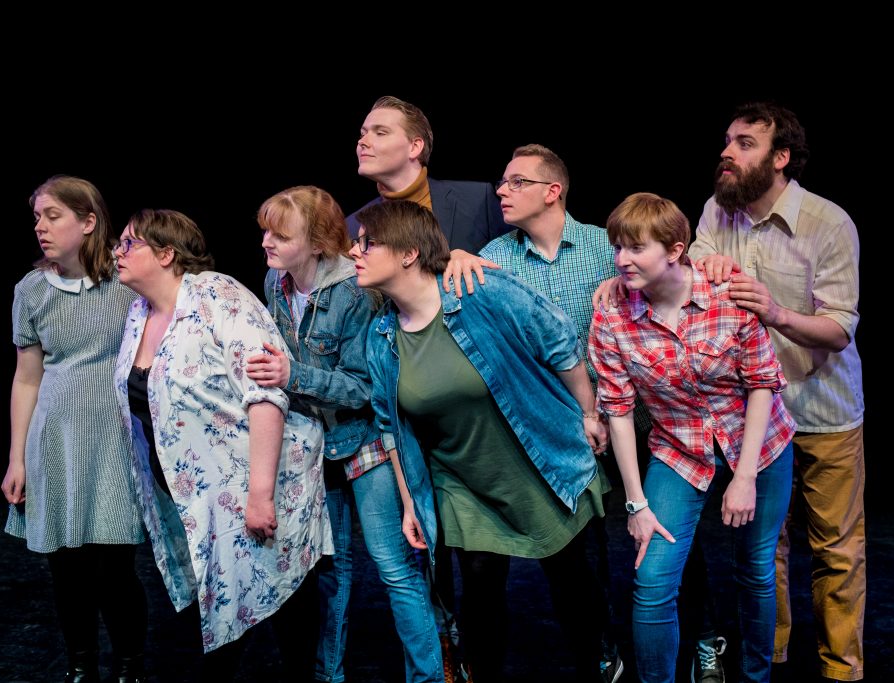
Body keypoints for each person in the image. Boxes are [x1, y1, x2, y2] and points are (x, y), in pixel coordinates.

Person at [354, 200, 610, 683]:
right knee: (479, 588)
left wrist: (589, 413)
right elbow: (391, 427)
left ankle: (598, 663)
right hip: (461, 479)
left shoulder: (478, 292)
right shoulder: (381, 337)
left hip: (535, 463)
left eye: (368, 242)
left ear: (409, 253)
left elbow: (558, 341)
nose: (355, 251)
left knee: (571, 584)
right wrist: (410, 503)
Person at [111, 208, 332, 681]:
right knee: (222, 604)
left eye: (130, 244)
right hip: (199, 494)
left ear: (167, 253)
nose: (117, 252)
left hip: (260, 478)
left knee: (282, 598)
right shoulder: (139, 313)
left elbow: (266, 392)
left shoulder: (217, 294)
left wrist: (260, 494)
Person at [690, 102, 865, 682]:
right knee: (768, 552)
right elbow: (693, 259)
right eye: (727, 141)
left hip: (820, 408)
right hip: (756, 419)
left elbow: (839, 328)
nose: (727, 152)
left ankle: (842, 670)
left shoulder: (828, 223)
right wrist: (702, 264)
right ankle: (774, 657)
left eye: (744, 143)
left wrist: (777, 312)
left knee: (836, 549)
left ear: (780, 157)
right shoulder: (719, 210)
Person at [589, 192, 796, 683]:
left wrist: (744, 477)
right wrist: (635, 504)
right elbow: (617, 412)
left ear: (676, 249)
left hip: (759, 447)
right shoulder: (613, 314)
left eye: (636, 248)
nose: (622, 260)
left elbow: (763, 383)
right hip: (679, 450)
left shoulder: (728, 294)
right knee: (653, 579)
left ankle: (755, 675)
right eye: (617, 248)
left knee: (756, 569)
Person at [441, 143, 625, 681]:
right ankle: (487, 663)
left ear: (553, 191)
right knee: (555, 558)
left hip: (611, 418)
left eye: (517, 182)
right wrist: (456, 255)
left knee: (598, 558)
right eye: (503, 182)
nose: (501, 191)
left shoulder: (603, 248)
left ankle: (604, 650)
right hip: (537, 431)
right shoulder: (493, 256)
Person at [248, 186, 443, 683]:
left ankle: (428, 674)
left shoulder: (355, 291)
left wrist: (293, 376)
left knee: (395, 568)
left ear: (316, 243)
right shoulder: (276, 282)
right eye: (265, 230)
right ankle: (327, 675)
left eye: (280, 233)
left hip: (366, 443)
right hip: (314, 445)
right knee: (331, 574)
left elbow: (363, 389)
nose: (267, 241)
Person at [3, 175, 147, 683]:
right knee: (65, 566)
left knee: (113, 563)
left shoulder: (125, 279)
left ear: (88, 222)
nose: (40, 227)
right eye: (37, 217)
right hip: (57, 433)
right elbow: (26, 379)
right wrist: (17, 457)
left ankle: (130, 664)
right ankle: (81, 664)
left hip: (113, 432)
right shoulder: (32, 290)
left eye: (52, 216)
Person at [347, 95, 508, 253]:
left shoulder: (478, 200)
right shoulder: (353, 227)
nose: (362, 142)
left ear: (414, 147)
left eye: (380, 133)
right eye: (362, 134)